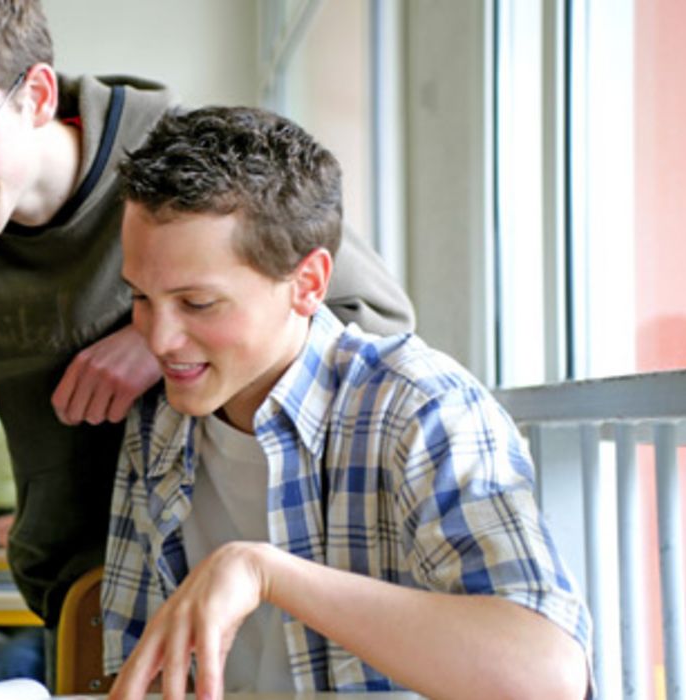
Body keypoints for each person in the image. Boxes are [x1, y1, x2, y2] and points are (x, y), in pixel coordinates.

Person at [0, 2, 417, 698]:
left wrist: (155, 337)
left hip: (271, 571)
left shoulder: (191, 167)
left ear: (36, 95)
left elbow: (371, 321)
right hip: (92, 588)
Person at [102, 107, 592, 699]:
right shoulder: (159, 423)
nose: (158, 339)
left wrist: (266, 572)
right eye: (141, 298)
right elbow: (132, 666)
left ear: (308, 284)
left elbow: (548, 678)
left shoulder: (421, 409)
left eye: (199, 303)